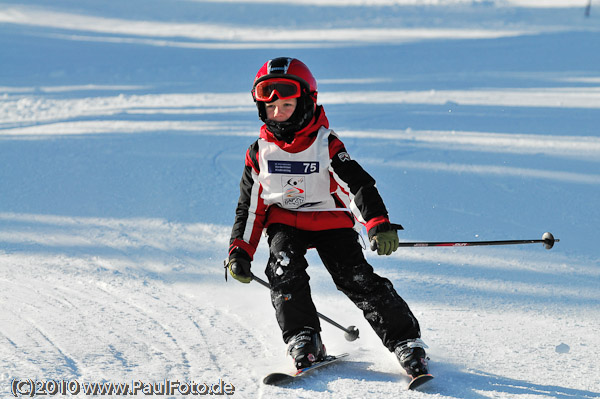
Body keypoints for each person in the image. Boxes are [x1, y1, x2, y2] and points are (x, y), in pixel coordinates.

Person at [226, 57, 429, 378]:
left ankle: (406, 341)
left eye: (287, 105)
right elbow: (250, 208)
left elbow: (357, 184)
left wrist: (376, 223)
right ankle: (304, 338)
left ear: (306, 102)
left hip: (330, 219)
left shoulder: (326, 145)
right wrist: (240, 249)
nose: (278, 114)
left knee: (355, 278)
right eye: (270, 108)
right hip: (286, 221)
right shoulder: (259, 153)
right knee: (283, 271)